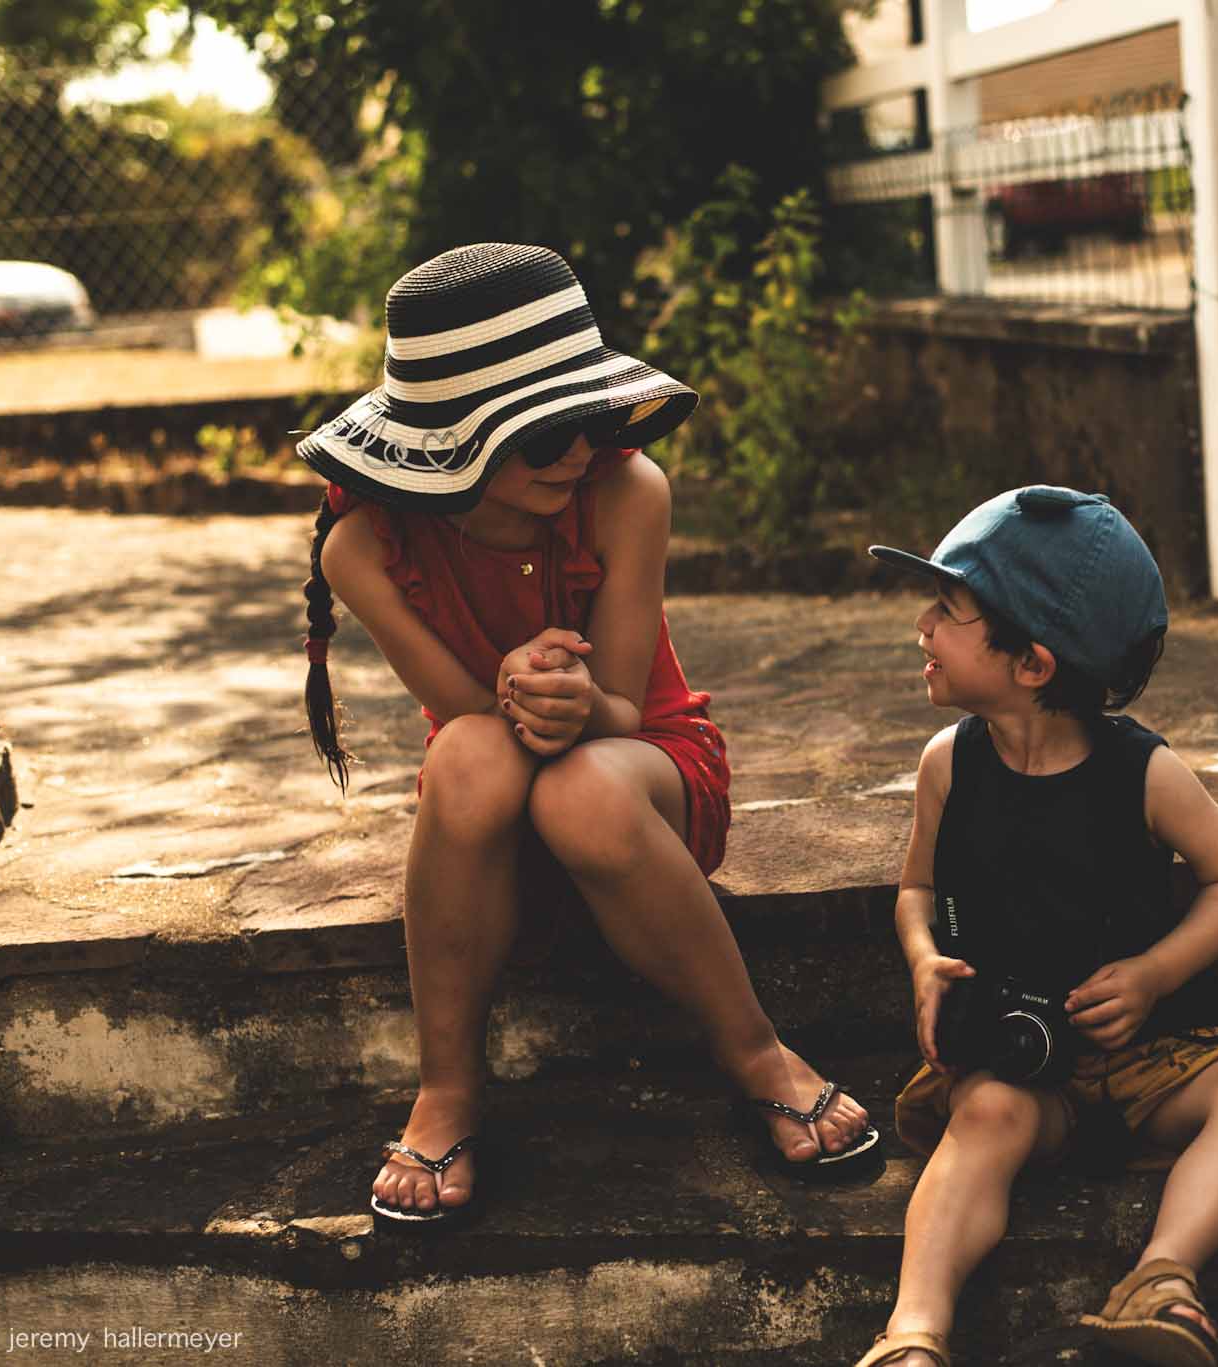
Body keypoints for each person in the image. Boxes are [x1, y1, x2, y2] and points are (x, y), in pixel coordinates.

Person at [294, 243, 878, 1229]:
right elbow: (464, 716)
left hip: (640, 778)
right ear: (452, 442)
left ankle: (754, 1049)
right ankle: (446, 1087)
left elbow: (624, 704)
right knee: (466, 755)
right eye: (542, 433)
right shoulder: (364, 546)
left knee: (581, 787)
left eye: (590, 418)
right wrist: (516, 689)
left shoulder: (625, 490)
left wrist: (570, 703)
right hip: (492, 818)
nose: (576, 449)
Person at [854, 488, 1218, 1367]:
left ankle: (1163, 1282)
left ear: (1033, 664)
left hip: (1146, 1060)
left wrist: (1156, 974)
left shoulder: (1144, 772)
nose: (923, 624)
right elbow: (914, 887)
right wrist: (925, 959)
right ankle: (912, 1334)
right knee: (982, 1115)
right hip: (1018, 1066)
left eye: (949, 610)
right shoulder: (949, 765)